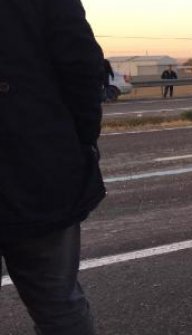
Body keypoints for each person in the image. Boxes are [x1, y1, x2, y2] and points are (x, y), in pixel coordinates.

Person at [0, 0, 106, 333]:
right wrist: (79, 142)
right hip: (37, 164)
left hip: (37, 162)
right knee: (58, 304)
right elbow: (83, 68)